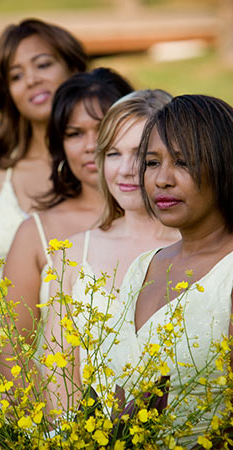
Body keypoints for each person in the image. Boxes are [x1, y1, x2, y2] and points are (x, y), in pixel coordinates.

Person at [0, 18, 87, 378]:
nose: (31, 79)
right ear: (7, 92)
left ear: (72, 68)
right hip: (11, 379)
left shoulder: (110, 168)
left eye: (43, 64)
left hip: (93, 382)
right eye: (16, 75)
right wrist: (3, 378)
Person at [105, 94, 233, 446]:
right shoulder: (142, 267)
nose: (162, 179)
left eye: (183, 162)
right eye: (152, 162)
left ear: (224, 164)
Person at [45, 89, 180, 409]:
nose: (125, 169)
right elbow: (60, 375)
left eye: (141, 154)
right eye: (113, 153)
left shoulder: (202, 247)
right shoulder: (71, 254)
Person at [0, 67, 133, 374]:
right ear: (60, 144)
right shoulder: (35, 233)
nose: (90, 145)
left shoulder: (171, 221)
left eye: (102, 129)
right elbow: (10, 356)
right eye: (74, 133)